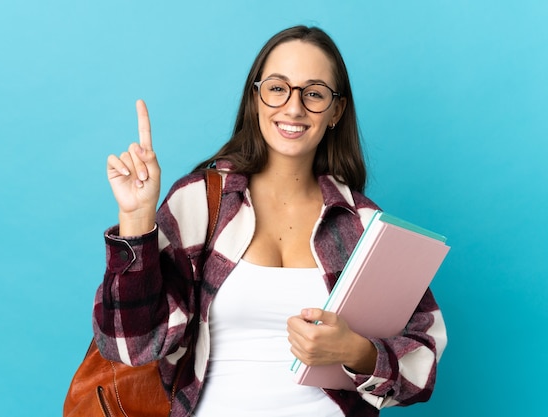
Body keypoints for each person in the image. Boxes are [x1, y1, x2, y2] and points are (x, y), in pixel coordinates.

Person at [93, 25, 447, 417]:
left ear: (336, 111)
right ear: (256, 97)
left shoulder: (363, 223)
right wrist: (136, 218)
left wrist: (356, 351)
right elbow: (130, 346)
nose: (293, 108)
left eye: (314, 94)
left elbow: (423, 364)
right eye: (278, 88)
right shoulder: (200, 202)